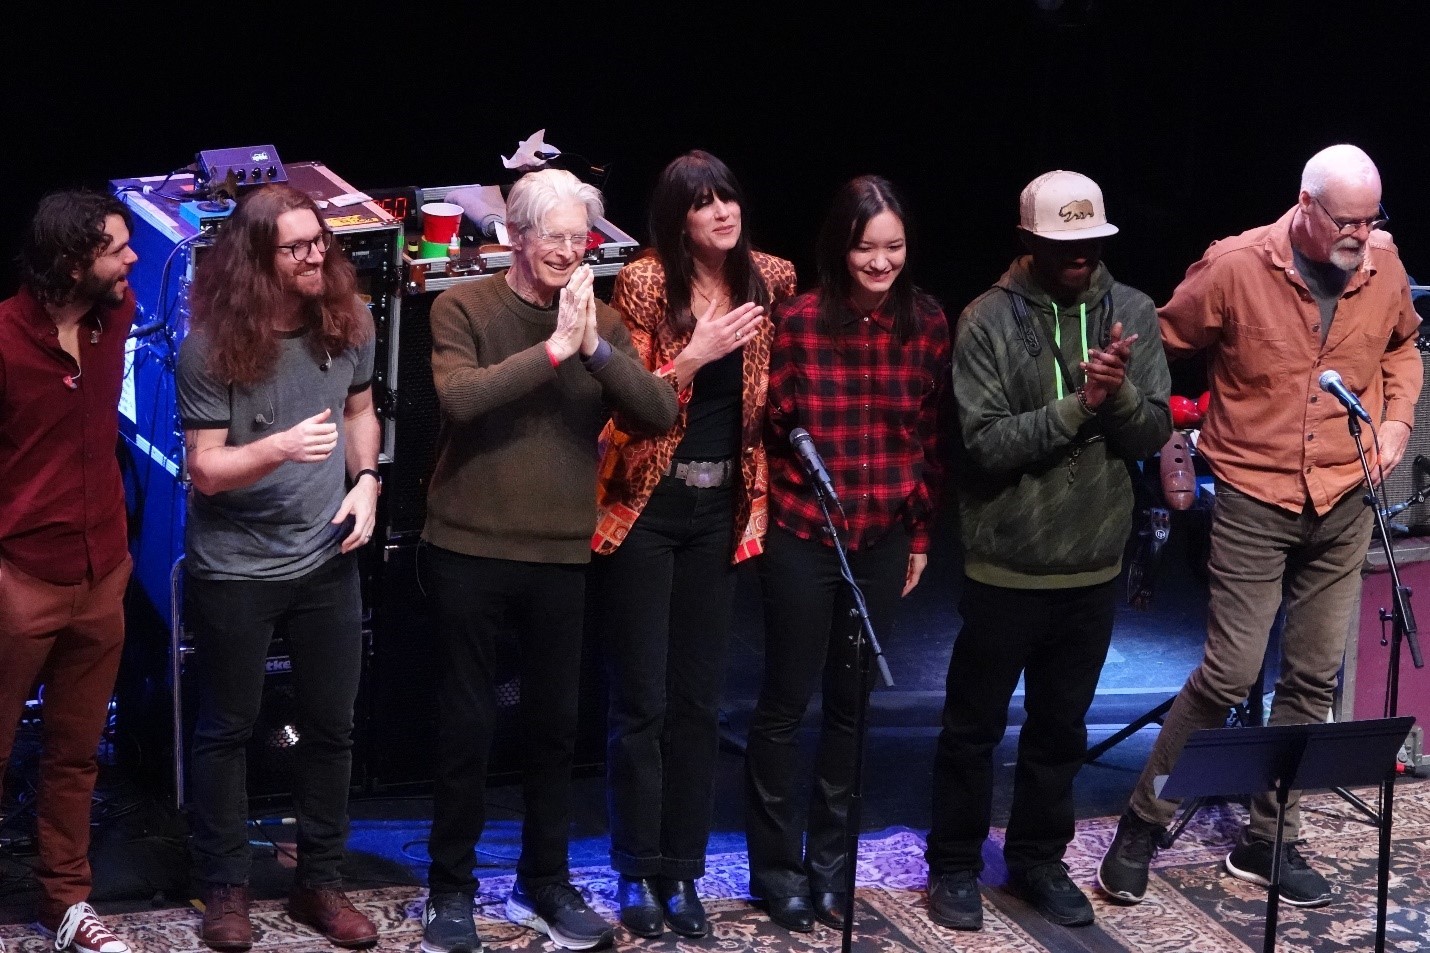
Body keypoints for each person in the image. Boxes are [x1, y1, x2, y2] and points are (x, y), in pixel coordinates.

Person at [1097, 144, 1421, 909]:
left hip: (1343, 498)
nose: (1359, 234)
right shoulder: (1238, 266)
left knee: (1312, 676)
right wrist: (1151, 427)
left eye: (1371, 219)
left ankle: (1270, 838)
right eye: (1345, 219)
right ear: (1304, 205)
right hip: (1253, 496)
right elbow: (1162, 344)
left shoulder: (1383, 263)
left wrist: (1399, 422)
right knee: (1231, 671)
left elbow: (1405, 345)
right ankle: (1143, 821)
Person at [420, 168, 678, 953]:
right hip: (466, 542)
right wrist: (556, 351)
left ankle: (545, 879)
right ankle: (451, 891)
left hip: (560, 552)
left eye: (581, 237)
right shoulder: (462, 305)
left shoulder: (601, 322)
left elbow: (659, 410)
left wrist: (593, 346)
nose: (571, 251)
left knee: (553, 728)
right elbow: (461, 399)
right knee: (466, 727)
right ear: (516, 238)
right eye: (556, 236)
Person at [925, 171, 1171, 931]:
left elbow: (1155, 429)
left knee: (1061, 727)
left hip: (1092, 563)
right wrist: (1082, 405)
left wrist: (1120, 396)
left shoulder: (1131, 311)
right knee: (974, 726)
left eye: (1092, 241)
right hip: (1007, 562)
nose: (1082, 255)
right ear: (1027, 241)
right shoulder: (987, 320)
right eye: (1064, 243)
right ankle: (957, 864)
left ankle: (1037, 858)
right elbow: (987, 442)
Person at [591, 150, 795, 940]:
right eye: (704, 202)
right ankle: (636, 871)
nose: (722, 211)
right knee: (641, 699)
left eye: (729, 196)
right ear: (679, 218)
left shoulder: (771, 278)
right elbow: (634, 404)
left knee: (700, 701)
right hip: (647, 502)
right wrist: (694, 356)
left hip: (724, 507)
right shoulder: (645, 282)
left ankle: (683, 873)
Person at [178, 184, 381, 951]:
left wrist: (367, 482)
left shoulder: (347, 322)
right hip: (235, 566)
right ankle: (225, 887)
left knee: (333, 726)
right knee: (227, 728)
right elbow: (206, 470)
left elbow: (360, 410)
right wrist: (278, 448)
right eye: (295, 247)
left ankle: (319, 881)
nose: (314, 257)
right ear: (255, 262)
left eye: (317, 242)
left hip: (325, 555)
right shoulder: (210, 348)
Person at [745, 175, 950, 933]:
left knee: (852, 706)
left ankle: (832, 869)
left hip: (882, 533)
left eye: (894, 246)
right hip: (804, 531)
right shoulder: (796, 322)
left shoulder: (927, 321)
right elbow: (766, 429)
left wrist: (922, 533)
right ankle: (776, 871)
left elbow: (927, 438)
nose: (881, 260)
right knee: (785, 700)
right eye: (867, 246)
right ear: (840, 246)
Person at [0, 191, 139, 953]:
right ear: (70, 261)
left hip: (102, 571)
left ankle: (65, 901)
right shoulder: (3, 339)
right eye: (118, 248)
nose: (133, 259)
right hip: (21, 576)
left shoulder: (110, 315)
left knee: (76, 751)